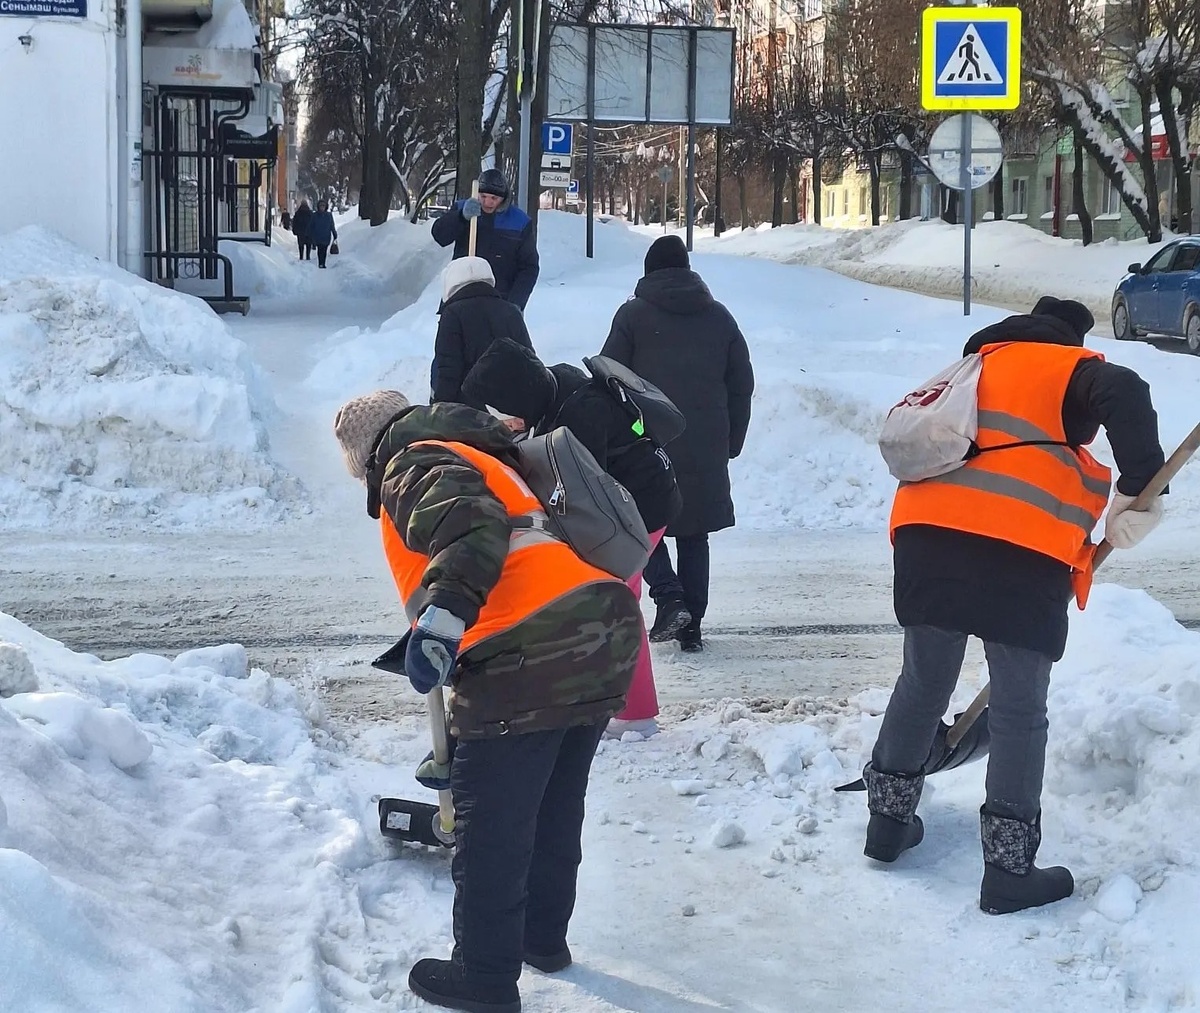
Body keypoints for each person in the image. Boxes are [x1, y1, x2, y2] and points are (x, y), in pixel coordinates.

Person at [332, 392, 640, 1013]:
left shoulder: (411, 459)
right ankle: (541, 940)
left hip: (529, 645)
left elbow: (471, 527)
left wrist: (444, 623)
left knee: (491, 823)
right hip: (599, 628)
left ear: (364, 456)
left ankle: (485, 976)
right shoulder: (479, 449)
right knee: (553, 801)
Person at [864, 296, 1166, 915]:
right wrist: (1139, 489)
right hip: (1020, 551)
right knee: (1020, 707)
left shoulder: (975, 367)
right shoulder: (1066, 369)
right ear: (1070, 338)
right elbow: (1127, 392)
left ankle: (887, 825)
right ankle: (1008, 869)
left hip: (926, 539)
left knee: (922, 681)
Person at [461, 337, 683, 737]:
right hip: (632, 502)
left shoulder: (581, 416)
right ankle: (623, 708)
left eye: (504, 411)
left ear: (519, 393)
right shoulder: (556, 386)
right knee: (614, 602)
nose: (503, 420)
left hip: (639, 511)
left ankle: (637, 717)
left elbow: (581, 489)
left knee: (616, 606)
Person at [600, 234, 754, 652]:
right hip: (704, 442)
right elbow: (742, 385)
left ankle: (669, 596)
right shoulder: (719, 317)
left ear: (649, 271)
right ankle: (692, 624)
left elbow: (609, 378)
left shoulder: (632, 317)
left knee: (641, 526)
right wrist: (730, 439)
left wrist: (619, 434)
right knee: (694, 532)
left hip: (646, 441)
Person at [431, 257, 534, 408]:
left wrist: (440, 407)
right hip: (514, 408)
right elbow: (530, 361)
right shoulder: (511, 310)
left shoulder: (453, 314)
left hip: (470, 411)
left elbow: (448, 367)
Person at [431, 169, 540, 311]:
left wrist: (516, 303)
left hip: (501, 302)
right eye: (483, 196)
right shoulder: (463, 208)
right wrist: (460, 217)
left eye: (494, 198)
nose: (488, 202)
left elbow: (529, 268)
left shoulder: (519, 222)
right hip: (460, 297)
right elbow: (440, 236)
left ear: (504, 197)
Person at [308, 200, 338, 269]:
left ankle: (323, 263)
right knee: (319, 249)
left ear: (326, 207)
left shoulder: (329, 215)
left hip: (326, 236)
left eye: (323, 206)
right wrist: (309, 234)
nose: (322, 207)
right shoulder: (315, 215)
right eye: (321, 206)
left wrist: (334, 233)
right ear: (318, 207)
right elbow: (311, 225)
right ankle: (320, 263)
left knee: (324, 250)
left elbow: (332, 225)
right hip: (317, 236)